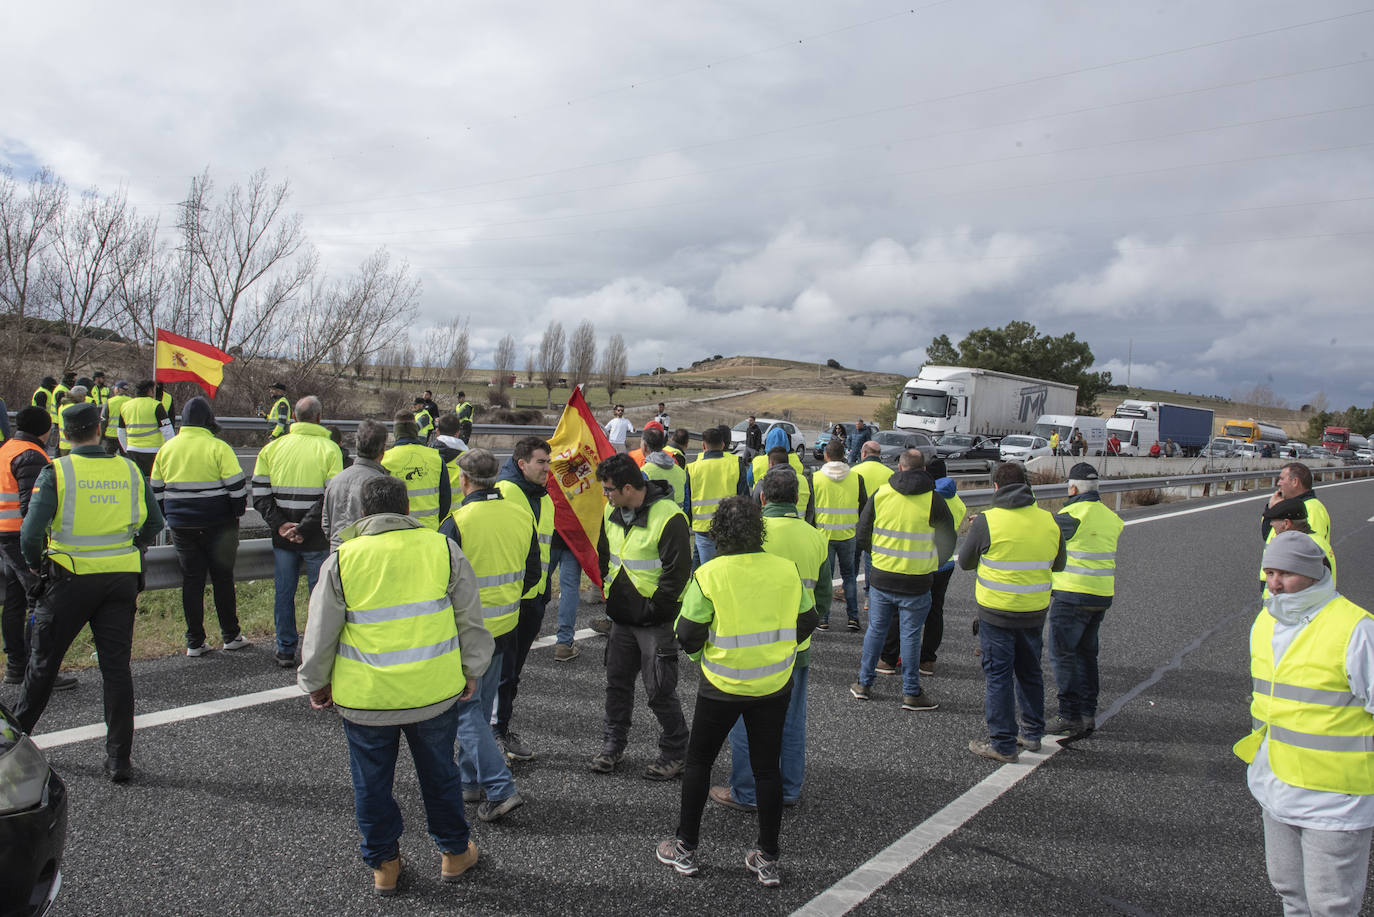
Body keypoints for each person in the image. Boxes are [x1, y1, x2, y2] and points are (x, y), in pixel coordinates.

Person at [298, 475, 494, 897]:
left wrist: (315, 683)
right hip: (434, 693)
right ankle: (454, 854)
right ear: (407, 510)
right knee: (440, 775)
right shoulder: (442, 549)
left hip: (366, 699)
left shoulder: (342, 560)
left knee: (371, 783)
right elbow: (469, 618)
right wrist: (472, 669)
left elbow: (320, 633)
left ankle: (384, 865)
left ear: (363, 514)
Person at [655, 496, 816, 887]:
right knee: (766, 769)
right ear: (758, 527)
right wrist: (779, 652)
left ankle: (686, 849)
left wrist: (702, 659)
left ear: (719, 532)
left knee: (699, 763)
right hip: (773, 684)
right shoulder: (785, 570)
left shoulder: (710, 573)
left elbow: (688, 633)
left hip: (721, 684)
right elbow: (808, 619)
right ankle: (768, 857)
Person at [13, 402, 163, 782]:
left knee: (44, 665)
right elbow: (155, 523)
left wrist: (34, 564)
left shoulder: (58, 471)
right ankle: (119, 761)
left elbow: (30, 532)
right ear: (100, 428)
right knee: (115, 670)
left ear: (64, 433)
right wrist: (133, 546)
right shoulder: (128, 468)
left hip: (68, 580)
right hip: (120, 580)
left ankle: (13, 747)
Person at [1234, 531, 1371, 917]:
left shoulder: (1356, 629)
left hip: (1335, 799)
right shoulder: (1266, 621)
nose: (1276, 583)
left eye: (1287, 574)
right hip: (1275, 785)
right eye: (1270, 572)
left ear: (1314, 574)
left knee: (1331, 904)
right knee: (1290, 892)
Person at [711, 468, 830, 813]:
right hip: (797, 646)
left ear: (762, 498)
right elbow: (821, 602)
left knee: (746, 722)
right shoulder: (815, 537)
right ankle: (789, 788)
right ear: (796, 499)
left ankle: (745, 791)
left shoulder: (753, 533)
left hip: (749, 647)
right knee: (791, 720)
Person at [440, 448, 537, 822]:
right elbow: (532, 573)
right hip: (505, 626)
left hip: (467, 632)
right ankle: (470, 782)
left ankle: (499, 787)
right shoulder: (519, 513)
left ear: (464, 480)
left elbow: (439, 582)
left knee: (464, 711)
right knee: (479, 709)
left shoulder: (458, 521)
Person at [590, 454, 691, 779]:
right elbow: (605, 552)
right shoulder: (612, 509)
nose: (605, 496)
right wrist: (610, 590)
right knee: (616, 685)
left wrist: (654, 611)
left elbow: (676, 575)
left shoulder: (669, 517)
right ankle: (612, 745)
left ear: (629, 487)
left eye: (609, 490)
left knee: (659, 690)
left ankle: (676, 752)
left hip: (654, 621)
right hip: (622, 617)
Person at [958, 461, 1066, 763]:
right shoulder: (1049, 520)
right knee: (1030, 671)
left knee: (999, 676)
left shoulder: (988, 521)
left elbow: (965, 562)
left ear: (995, 487)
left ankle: (1003, 743)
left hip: (996, 612)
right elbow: (1059, 565)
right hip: (1034, 611)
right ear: (1028, 486)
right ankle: (1032, 733)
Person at [852, 449, 956, 708]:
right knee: (910, 635)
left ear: (899, 468)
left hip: (882, 576)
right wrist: (933, 564)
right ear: (923, 470)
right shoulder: (933, 499)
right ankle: (911, 691)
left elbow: (862, 533)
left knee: (876, 630)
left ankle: (864, 683)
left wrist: (877, 557)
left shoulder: (882, 494)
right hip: (917, 580)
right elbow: (948, 539)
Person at [151, 397, 251, 657]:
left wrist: (171, 516)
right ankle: (231, 635)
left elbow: (157, 492)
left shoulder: (167, 449)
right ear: (209, 421)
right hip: (219, 526)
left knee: (192, 582)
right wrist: (234, 515)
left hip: (181, 526)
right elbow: (238, 490)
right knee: (222, 581)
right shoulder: (219, 447)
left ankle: (194, 641)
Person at [253, 395, 342, 667]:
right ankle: (315, 653)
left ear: (293, 416)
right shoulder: (329, 450)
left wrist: (281, 525)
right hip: (315, 537)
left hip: (283, 538)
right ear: (319, 417)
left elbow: (259, 494)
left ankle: (285, 649)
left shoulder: (271, 448)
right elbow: (331, 497)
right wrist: (303, 528)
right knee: (318, 598)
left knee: (284, 593)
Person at [0, 408, 76, 690]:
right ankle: (39, 672)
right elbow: (30, 507)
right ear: (45, 430)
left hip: (6, 534)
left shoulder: (7, 448)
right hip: (21, 536)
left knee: (15, 601)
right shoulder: (32, 456)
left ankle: (16, 668)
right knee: (40, 601)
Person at [1046, 462, 1123, 740]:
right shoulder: (1111, 517)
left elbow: (1046, 536)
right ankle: (1088, 713)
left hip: (1071, 595)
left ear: (1073, 488)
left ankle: (1068, 714)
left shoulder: (1071, 514)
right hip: (1101, 595)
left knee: (1063, 654)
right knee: (1087, 655)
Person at [493, 436, 555, 762]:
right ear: (522, 464)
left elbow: (545, 549)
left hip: (533, 599)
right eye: (541, 462)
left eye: (548, 461)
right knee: (499, 674)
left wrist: (543, 594)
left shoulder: (544, 498)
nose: (548, 468)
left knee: (512, 674)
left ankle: (500, 731)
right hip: (509, 599)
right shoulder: (506, 493)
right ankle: (491, 741)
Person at [811, 437, 869, 631]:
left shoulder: (816, 477)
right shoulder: (856, 477)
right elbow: (863, 506)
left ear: (826, 455)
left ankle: (823, 618)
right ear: (843, 456)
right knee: (849, 577)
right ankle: (853, 618)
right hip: (848, 534)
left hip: (824, 535)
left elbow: (811, 508)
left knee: (824, 579)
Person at [322, 420, 391, 550]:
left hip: (338, 554)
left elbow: (326, 525)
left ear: (356, 444)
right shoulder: (382, 484)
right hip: (366, 556)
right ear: (383, 450)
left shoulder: (336, 480)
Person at [688, 425, 748, 566]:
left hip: (702, 528)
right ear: (722, 445)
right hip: (729, 526)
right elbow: (744, 498)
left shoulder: (692, 468)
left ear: (703, 445)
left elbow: (687, 501)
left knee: (704, 570)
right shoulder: (735, 465)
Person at [381, 412, 449, 530]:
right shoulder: (435, 457)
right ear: (415, 430)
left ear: (396, 432)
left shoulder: (385, 459)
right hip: (430, 530)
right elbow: (445, 499)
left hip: (397, 530)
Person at [1260, 498, 1336, 589]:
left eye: (1273, 521)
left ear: (1286, 524)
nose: (1271, 524)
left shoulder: (1299, 548)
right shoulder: (1317, 541)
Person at [849, 439, 891, 601]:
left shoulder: (855, 471)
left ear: (864, 453)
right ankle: (870, 596)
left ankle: (850, 592)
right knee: (872, 561)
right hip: (879, 524)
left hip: (856, 521)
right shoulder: (889, 473)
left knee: (853, 560)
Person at [1263, 462, 1331, 544]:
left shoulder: (1312, 509)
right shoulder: (1290, 506)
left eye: (1282, 479)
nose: (1278, 483)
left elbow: (1309, 548)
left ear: (1295, 482)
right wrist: (1272, 508)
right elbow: (1268, 535)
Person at [117, 379, 173, 477]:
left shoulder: (125, 406)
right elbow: (167, 431)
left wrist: (126, 449)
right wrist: (171, 450)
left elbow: (120, 431)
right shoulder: (156, 405)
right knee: (154, 481)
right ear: (150, 391)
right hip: (153, 451)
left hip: (132, 450)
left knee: (136, 480)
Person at [640, 424, 688, 515]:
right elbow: (686, 504)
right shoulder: (680, 471)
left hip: (656, 524)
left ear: (645, 446)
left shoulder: (645, 472)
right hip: (679, 521)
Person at [100, 380, 132, 454]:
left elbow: (103, 420)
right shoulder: (131, 401)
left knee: (108, 458)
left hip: (111, 435)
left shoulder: (110, 401)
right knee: (127, 458)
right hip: (126, 435)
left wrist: (101, 435)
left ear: (117, 389)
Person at [56, 385, 89, 455]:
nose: (85, 399)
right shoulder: (74, 408)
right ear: (79, 396)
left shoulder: (62, 406)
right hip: (74, 445)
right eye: (84, 396)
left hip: (64, 445)